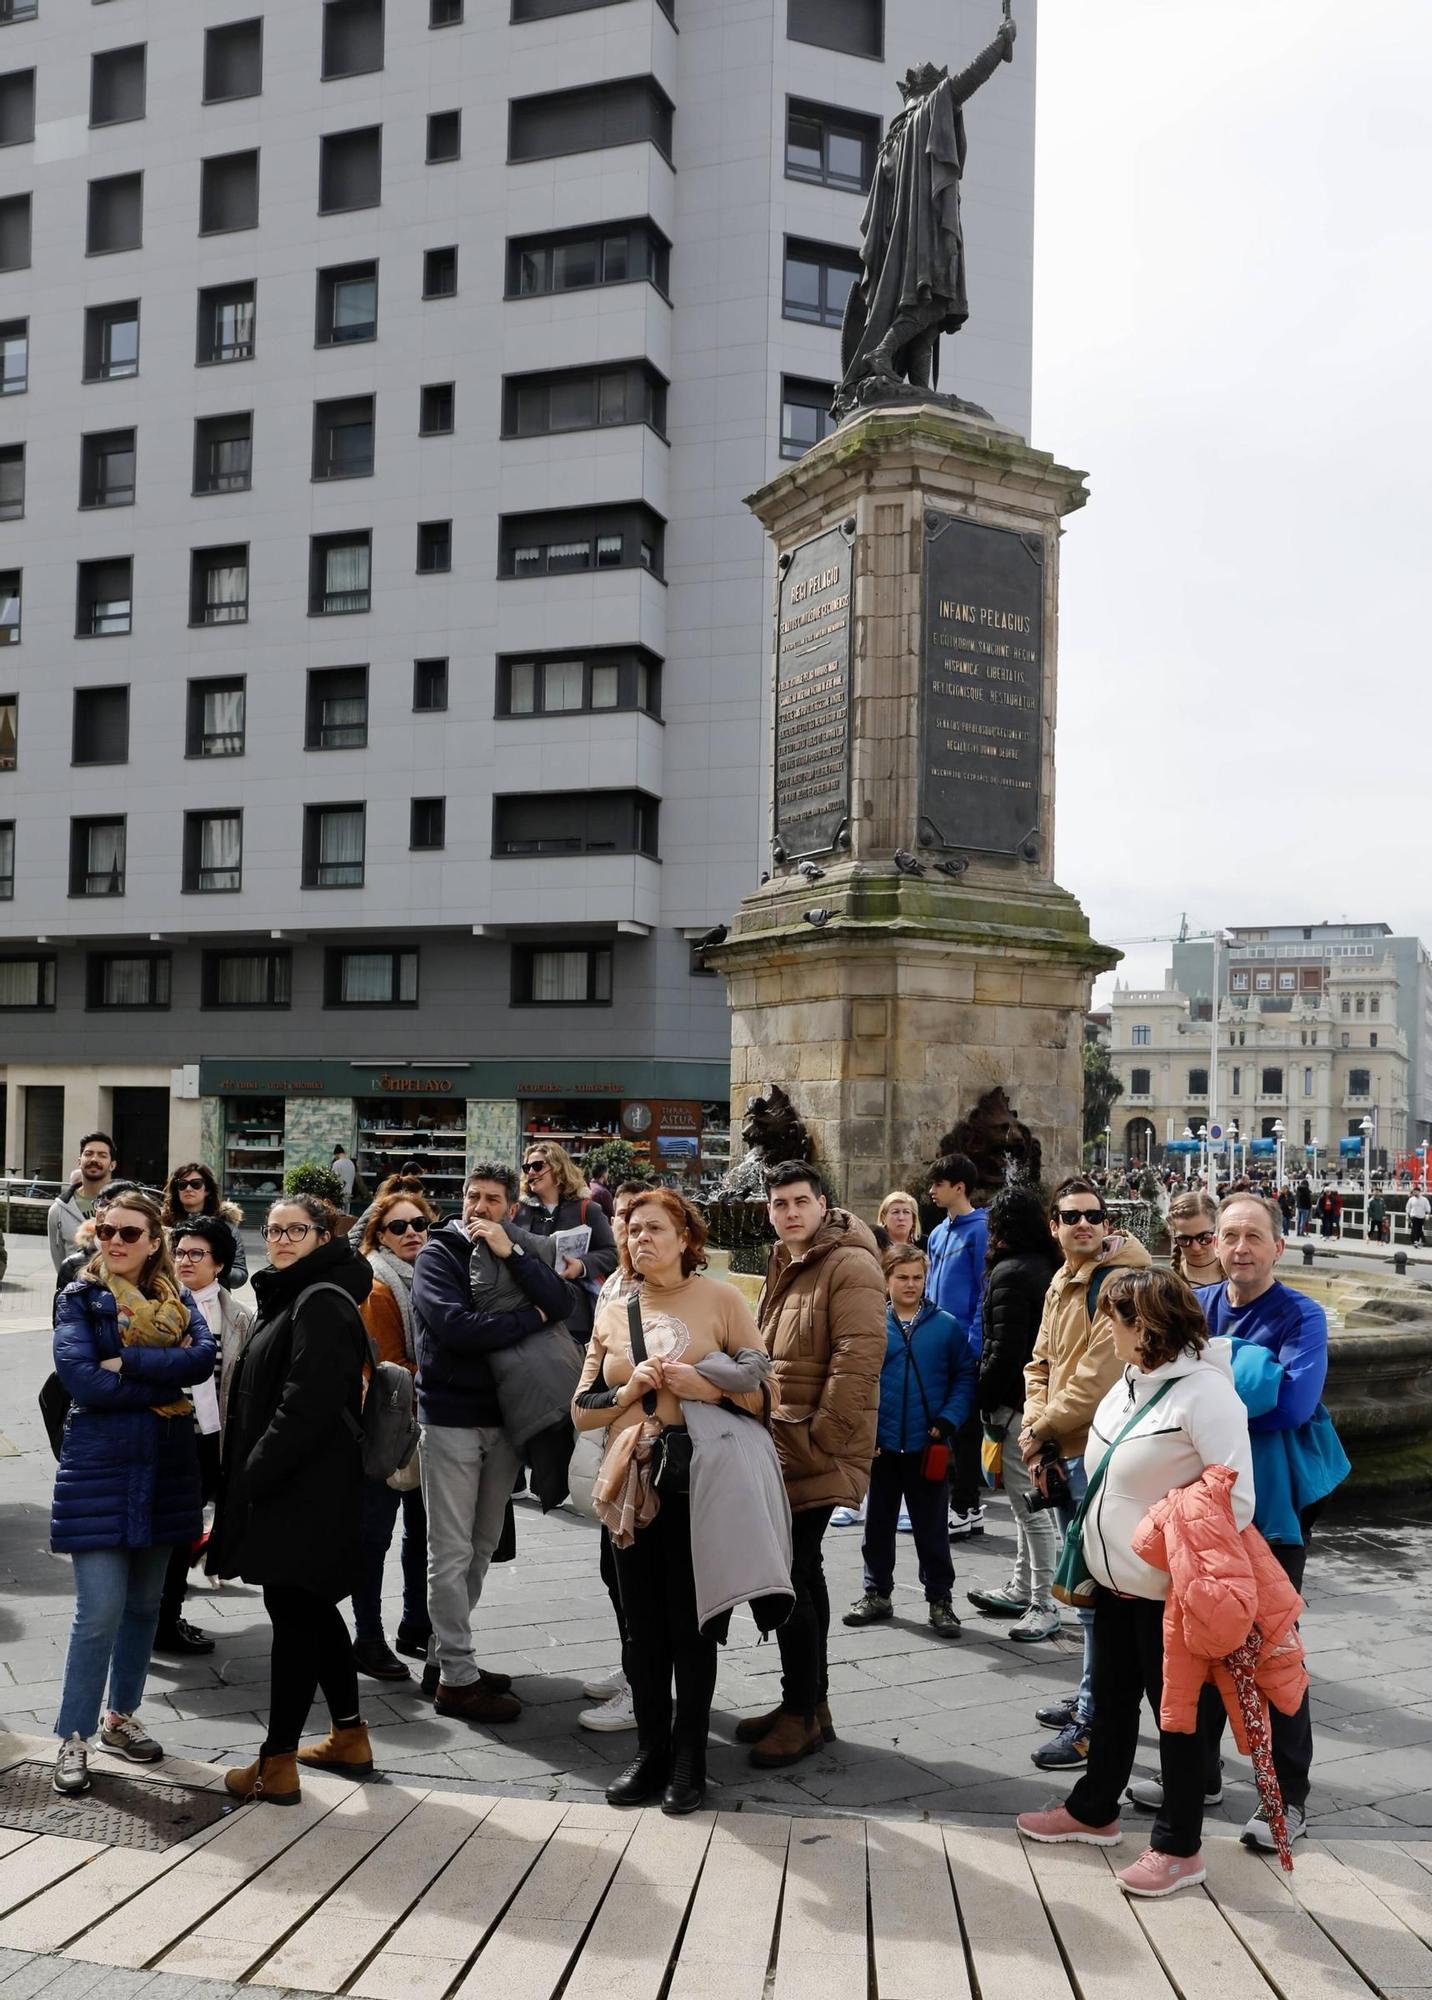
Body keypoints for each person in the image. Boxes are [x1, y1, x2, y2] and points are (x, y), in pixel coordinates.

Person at [1016, 1267, 1254, 1900]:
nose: (1106, 1332)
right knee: (1113, 1703)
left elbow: (1236, 1501)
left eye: (1113, 1321)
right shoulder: (1128, 1381)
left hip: (1170, 1594)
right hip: (1114, 1584)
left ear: (1145, 1326)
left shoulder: (1207, 1396)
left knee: (1179, 1722)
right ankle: (1094, 1810)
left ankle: (1180, 1848)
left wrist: (1153, 1530)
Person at [573, 1188, 788, 1815]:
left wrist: (707, 1388)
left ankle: (691, 1758)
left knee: (693, 1628)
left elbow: (766, 1394)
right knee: (640, 1629)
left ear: (686, 1238)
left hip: (700, 1482)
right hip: (631, 1487)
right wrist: (626, 1394)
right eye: (633, 1229)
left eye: (655, 1229)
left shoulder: (722, 1299)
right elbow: (580, 1410)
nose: (640, 1238)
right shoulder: (614, 1307)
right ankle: (650, 1751)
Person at [1181, 1192, 1346, 1849]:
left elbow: (1293, 1404)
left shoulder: (1301, 1314)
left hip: (1273, 1509)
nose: (1240, 1247)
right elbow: (1166, 1387)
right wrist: (1252, 1376)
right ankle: (1198, 1775)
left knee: (1272, 1649)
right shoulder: (1196, 1305)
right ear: (1214, 1245)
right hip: (1205, 1505)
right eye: (1229, 1235)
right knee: (1199, 1638)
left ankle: (1287, 1798)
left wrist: (1213, 1389)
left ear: (1279, 1246)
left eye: (1254, 1236)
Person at [208, 1195, 374, 1806]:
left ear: (322, 1236)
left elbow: (307, 1402)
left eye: (295, 1230)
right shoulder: (296, 1292)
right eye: (273, 1229)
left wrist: (253, 1472)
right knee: (307, 1607)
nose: (279, 1239)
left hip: (305, 1485)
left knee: (295, 1616)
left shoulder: (320, 1299)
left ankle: (276, 1762)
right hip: (300, 1481)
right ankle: (349, 1735)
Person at [50, 1191, 216, 1798]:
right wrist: (159, 1380)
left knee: (146, 1606)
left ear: (153, 1242)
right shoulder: (80, 1296)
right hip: (99, 1468)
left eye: (129, 1233)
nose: (115, 1241)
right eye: (107, 1231)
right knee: (98, 1612)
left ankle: (119, 1719)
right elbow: (82, 1380)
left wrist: (127, 1362)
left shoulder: (178, 1297)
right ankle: (73, 1736)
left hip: (165, 1468)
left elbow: (202, 1359)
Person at [735, 1161, 884, 1769]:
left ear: (823, 1204)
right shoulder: (786, 1258)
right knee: (802, 1571)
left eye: (800, 1201)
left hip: (813, 1446)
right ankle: (808, 1705)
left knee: (789, 1574)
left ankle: (801, 1712)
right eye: (780, 1203)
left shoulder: (849, 1263)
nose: (790, 1212)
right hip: (787, 1440)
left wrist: (821, 1437)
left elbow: (859, 1357)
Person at [411, 1163, 571, 1724]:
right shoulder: (438, 1255)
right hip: (451, 1418)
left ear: (511, 1207)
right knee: (449, 1552)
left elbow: (564, 1303)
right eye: (473, 1196)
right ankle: (458, 1680)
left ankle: (444, 1662)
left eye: (493, 1199)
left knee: (481, 1547)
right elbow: (456, 1328)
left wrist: (514, 1255)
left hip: (506, 1420)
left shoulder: (518, 1248)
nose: (480, 1207)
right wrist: (531, 1317)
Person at [1019, 1177, 1151, 1773]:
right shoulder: (1062, 1278)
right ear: (1054, 1226)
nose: (1083, 1224)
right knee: (1084, 1591)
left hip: (1098, 1453)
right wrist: (1035, 1427)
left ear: (1107, 1222)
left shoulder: (1119, 1283)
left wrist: (1038, 1430)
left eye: (1094, 1215)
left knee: (1096, 1595)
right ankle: (1091, 1698)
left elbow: (1097, 1380)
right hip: (1059, 1446)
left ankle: (1095, 1720)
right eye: (1071, 1216)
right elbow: (1040, 1362)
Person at [843, 1245, 975, 1638]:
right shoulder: (871, 1325)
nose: (911, 1284)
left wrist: (948, 1419)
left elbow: (965, 1377)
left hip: (927, 1446)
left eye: (918, 1277)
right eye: (902, 1277)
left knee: (932, 1528)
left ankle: (940, 1599)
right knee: (877, 1526)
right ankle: (876, 1593)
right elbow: (856, 1378)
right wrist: (865, 1430)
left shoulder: (946, 1326)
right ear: (886, 1280)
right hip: (882, 1446)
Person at [154, 1216, 253, 1657]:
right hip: (164, 1436)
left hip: (211, 1441)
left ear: (220, 1264)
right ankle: (157, 1620)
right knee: (166, 1533)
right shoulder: (158, 1305)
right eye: (179, 1253)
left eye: (197, 1254)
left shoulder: (239, 1318)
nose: (185, 1261)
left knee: (185, 1531)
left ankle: (168, 1616)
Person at [350, 1188, 438, 1683]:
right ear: (379, 1235)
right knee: (374, 1536)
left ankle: (415, 1623)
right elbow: (386, 1366)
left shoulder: (427, 1276)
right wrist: (445, 1374)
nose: (412, 1234)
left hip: (422, 1425)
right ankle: (368, 1637)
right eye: (398, 1227)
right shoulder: (379, 1285)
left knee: (421, 1531)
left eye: (419, 1224)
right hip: (384, 1426)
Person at [968, 1185, 1061, 1641]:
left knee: (1030, 1505)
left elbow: (1003, 1349)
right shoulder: (1049, 1266)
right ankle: (1024, 1587)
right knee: (1027, 1503)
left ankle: (1044, 1601)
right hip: (1042, 1399)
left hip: (1016, 1405)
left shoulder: (1009, 1273)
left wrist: (982, 1396)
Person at [579, 1179, 651, 1737]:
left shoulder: (669, 1289)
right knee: (614, 1571)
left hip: (653, 1456)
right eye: (621, 1216)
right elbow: (590, 1378)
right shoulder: (614, 1286)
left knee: (643, 1578)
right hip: (614, 1447)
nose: (627, 1226)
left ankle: (644, 1686)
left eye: (639, 1218)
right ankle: (634, 1667)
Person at [924, 1154, 989, 1537]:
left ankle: (964, 1505)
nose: (931, 1191)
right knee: (946, 1425)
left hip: (965, 1347)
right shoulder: (936, 1234)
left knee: (965, 1429)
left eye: (938, 1184)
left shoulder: (981, 1230)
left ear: (959, 1187)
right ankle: (965, 1504)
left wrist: (974, 1343)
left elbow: (984, 1292)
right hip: (938, 1344)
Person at [515, 1142, 618, 1340]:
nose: (531, 1173)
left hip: (573, 1316)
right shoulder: (518, 1210)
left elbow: (611, 1253)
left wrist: (581, 1265)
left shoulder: (588, 1209)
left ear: (558, 1168)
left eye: (538, 1166)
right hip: (527, 1311)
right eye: (527, 1168)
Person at [161, 1161, 248, 1291]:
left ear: (207, 1190)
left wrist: (213, 1268)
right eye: (182, 1184)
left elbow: (240, 1275)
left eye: (196, 1184)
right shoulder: (161, 1225)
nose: (188, 1189)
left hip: (214, 1296)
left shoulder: (225, 1226)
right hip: (169, 1294)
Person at [47, 1132, 118, 1273]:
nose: (94, 1159)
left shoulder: (128, 1205)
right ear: (79, 1162)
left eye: (102, 1155)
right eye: (88, 1154)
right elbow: (59, 1261)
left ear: (112, 1165)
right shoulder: (58, 1210)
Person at [1166, 1190, 1223, 1288]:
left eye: (1204, 1237)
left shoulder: (1241, 1277)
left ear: (1218, 1231)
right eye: (1184, 1239)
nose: (1196, 1248)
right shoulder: (1167, 1286)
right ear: (1173, 1236)